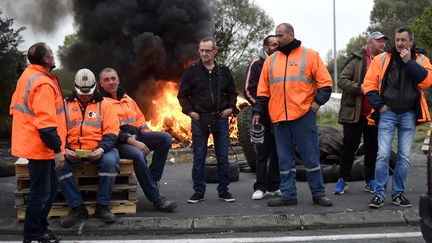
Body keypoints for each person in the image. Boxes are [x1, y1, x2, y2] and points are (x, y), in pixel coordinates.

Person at [252, 23, 333, 207]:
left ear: (291, 34)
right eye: (276, 35)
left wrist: (315, 105)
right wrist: (257, 111)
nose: (277, 39)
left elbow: (326, 84)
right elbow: (263, 91)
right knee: (284, 159)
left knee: (311, 157)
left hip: (303, 117)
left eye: (280, 35)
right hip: (279, 119)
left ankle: (318, 194)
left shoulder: (310, 55)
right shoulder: (271, 61)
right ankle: (288, 194)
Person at [363, 27, 432, 208]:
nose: (400, 43)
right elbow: (368, 85)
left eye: (403, 40)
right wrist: (380, 106)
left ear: (411, 41)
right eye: (397, 40)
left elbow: (426, 82)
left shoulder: (421, 59)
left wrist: (409, 62)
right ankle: (378, 194)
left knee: (404, 156)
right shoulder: (382, 59)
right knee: (383, 154)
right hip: (388, 113)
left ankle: (398, 194)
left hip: (409, 114)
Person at [98, 68, 178, 212]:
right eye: (107, 80)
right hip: (118, 142)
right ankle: (156, 199)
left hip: (137, 135)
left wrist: (144, 132)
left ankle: (151, 179)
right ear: (101, 84)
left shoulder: (127, 98)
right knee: (138, 155)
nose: (111, 82)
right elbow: (110, 130)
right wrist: (132, 141)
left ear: (118, 80)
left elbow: (140, 119)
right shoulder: (100, 102)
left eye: (113, 78)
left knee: (165, 138)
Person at [10, 42, 66, 243]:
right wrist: (57, 150)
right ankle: (33, 234)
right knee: (41, 194)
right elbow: (46, 124)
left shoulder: (27, 76)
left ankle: (39, 229)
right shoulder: (42, 83)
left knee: (48, 189)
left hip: (35, 144)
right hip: (41, 147)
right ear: (46, 59)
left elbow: (14, 108)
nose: (53, 54)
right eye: (51, 52)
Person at [178, 37, 238, 204]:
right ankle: (198, 192)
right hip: (200, 119)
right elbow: (182, 95)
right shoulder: (192, 71)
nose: (203, 53)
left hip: (220, 118)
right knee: (199, 156)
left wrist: (231, 108)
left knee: (223, 157)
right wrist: (190, 112)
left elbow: (232, 92)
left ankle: (224, 191)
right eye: (201, 50)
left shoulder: (224, 71)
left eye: (206, 50)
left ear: (215, 51)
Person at [59, 68, 120, 227]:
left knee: (110, 162)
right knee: (58, 165)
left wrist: (101, 149)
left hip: (99, 149)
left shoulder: (105, 105)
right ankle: (77, 208)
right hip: (72, 150)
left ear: (95, 87)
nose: (85, 95)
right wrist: (65, 149)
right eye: (81, 92)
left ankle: (102, 206)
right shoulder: (63, 105)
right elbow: (58, 131)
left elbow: (112, 131)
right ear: (74, 87)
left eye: (89, 91)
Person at [333, 32, 388, 195]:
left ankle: (370, 181)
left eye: (384, 42)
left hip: (374, 114)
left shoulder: (385, 61)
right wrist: (362, 88)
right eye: (379, 42)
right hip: (354, 113)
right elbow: (341, 81)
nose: (383, 45)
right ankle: (342, 180)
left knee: (372, 149)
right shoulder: (356, 59)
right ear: (370, 43)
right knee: (349, 148)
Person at [244, 35, 281, 200]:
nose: (277, 46)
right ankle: (260, 187)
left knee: (277, 152)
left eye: (278, 44)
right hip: (261, 117)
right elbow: (248, 90)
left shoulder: (282, 62)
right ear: (265, 47)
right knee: (261, 152)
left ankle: (274, 186)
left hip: (280, 115)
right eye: (273, 44)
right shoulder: (256, 64)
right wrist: (260, 108)